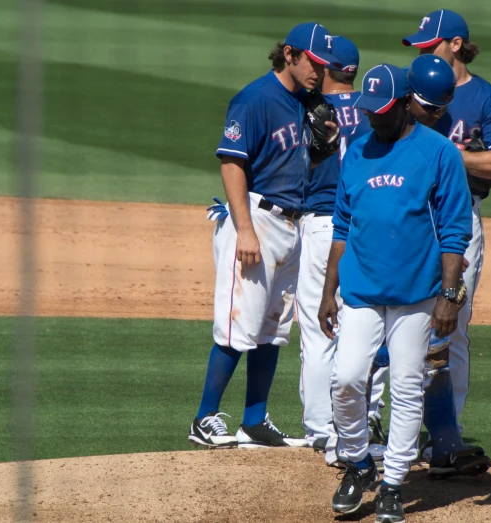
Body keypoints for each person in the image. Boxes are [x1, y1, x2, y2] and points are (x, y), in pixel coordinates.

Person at [319, 63, 472, 523]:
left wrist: (450, 295)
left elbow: (454, 232)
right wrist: (330, 291)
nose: (374, 119)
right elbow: (342, 227)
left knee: (406, 385)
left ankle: (392, 484)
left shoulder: (438, 153)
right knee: (345, 379)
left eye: (383, 111)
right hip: (362, 290)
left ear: (406, 103)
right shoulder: (357, 151)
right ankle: (359, 462)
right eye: (370, 110)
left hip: (418, 295)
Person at [187, 22, 340, 449]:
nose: (320, 71)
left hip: (292, 224)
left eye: (326, 64)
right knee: (238, 324)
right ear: (289, 54)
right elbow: (231, 163)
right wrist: (245, 230)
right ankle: (203, 417)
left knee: (274, 327)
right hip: (256, 219)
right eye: (313, 62)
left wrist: (324, 147)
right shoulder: (255, 99)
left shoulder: (310, 103)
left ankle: (254, 418)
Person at [402, 8, 491, 474]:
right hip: (408, 219)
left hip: (458, 221)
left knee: (450, 328)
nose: (420, 54)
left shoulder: (488, 99)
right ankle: (388, 430)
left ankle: (443, 436)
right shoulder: (410, 92)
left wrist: (451, 156)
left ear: (454, 44)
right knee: (396, 318)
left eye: (428, 45)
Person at [293, 35, 388, 466]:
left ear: (325, 66)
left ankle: (320, 426)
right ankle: (365, 419)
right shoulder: (374, 110)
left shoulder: (309, 107)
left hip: (320, 223)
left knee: (318, 329)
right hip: (364, 227)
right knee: (371, 321)